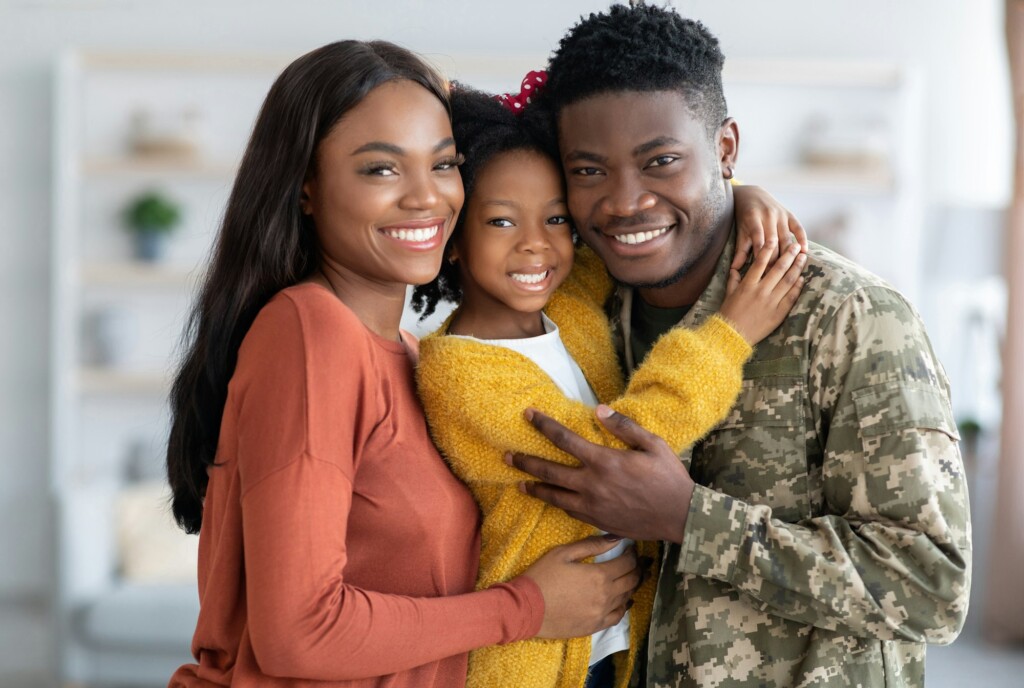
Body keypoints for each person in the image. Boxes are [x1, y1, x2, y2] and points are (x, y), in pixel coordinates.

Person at [507, 4, 973, 687]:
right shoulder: (565, 305)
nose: (624, 201)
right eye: (589, 171)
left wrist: (691, 519)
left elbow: (931, 587)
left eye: (661, 161)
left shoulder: (851, 318)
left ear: (725, 148)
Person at [164, 40, 643, 688]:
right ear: (305, 188)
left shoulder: (414, 355)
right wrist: (528, 608)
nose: (428, 198)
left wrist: (735, 205)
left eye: (443, 164)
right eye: (382, 170)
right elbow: (299, 633)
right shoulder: (312, 333)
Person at [412, 86, 806, 688]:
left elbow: (627, 235)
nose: (535, 244)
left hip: (610, 641)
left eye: (555, 218)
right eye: (500, 220)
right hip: (532, 660)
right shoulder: (458, 370)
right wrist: (732, 334)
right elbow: (613, 453)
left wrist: (737, 194)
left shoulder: (564, 307)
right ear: (454, 238)